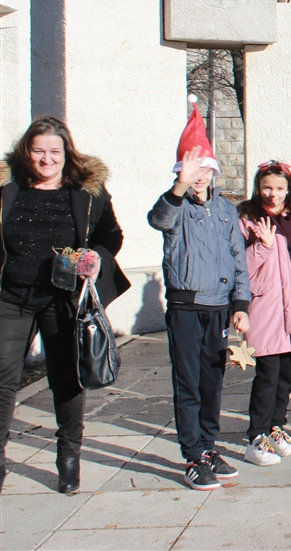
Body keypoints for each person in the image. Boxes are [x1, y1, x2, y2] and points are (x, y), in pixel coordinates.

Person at [0, 117, 130, 494]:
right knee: (3, 381)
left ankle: (68, 456)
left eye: (54, 151)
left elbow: (111, 235)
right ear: (27, 152)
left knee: (67, 379)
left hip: (63, 299)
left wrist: (97, 257)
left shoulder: (87, 192)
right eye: (39, 151)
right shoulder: (6, 188)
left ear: (66, 153)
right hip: (10, 298)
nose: (46, 159)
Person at [148, 101, 250, 491]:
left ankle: (208, 446)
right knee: (188, 382)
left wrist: (241, 306)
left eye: (204, 170)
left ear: (214, 171)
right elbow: (158, 219)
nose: (198, 178)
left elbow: (238, 261)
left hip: (218, 309)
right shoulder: (176, 206)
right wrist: (178, 186)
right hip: (186, 308)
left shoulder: (226, 209)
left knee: (213, 381)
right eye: (190, 172)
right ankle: (191, 454)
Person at [238, 161, 291, 466]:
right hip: (265, 308)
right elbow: (242, 270)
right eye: (267, 187)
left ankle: (276, 427)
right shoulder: (247, 219)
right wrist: (263, 247)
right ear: (257, 187)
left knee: (285, 374)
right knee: (266, 375)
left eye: (280, 188)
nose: (273, 194)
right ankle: (257, 434)